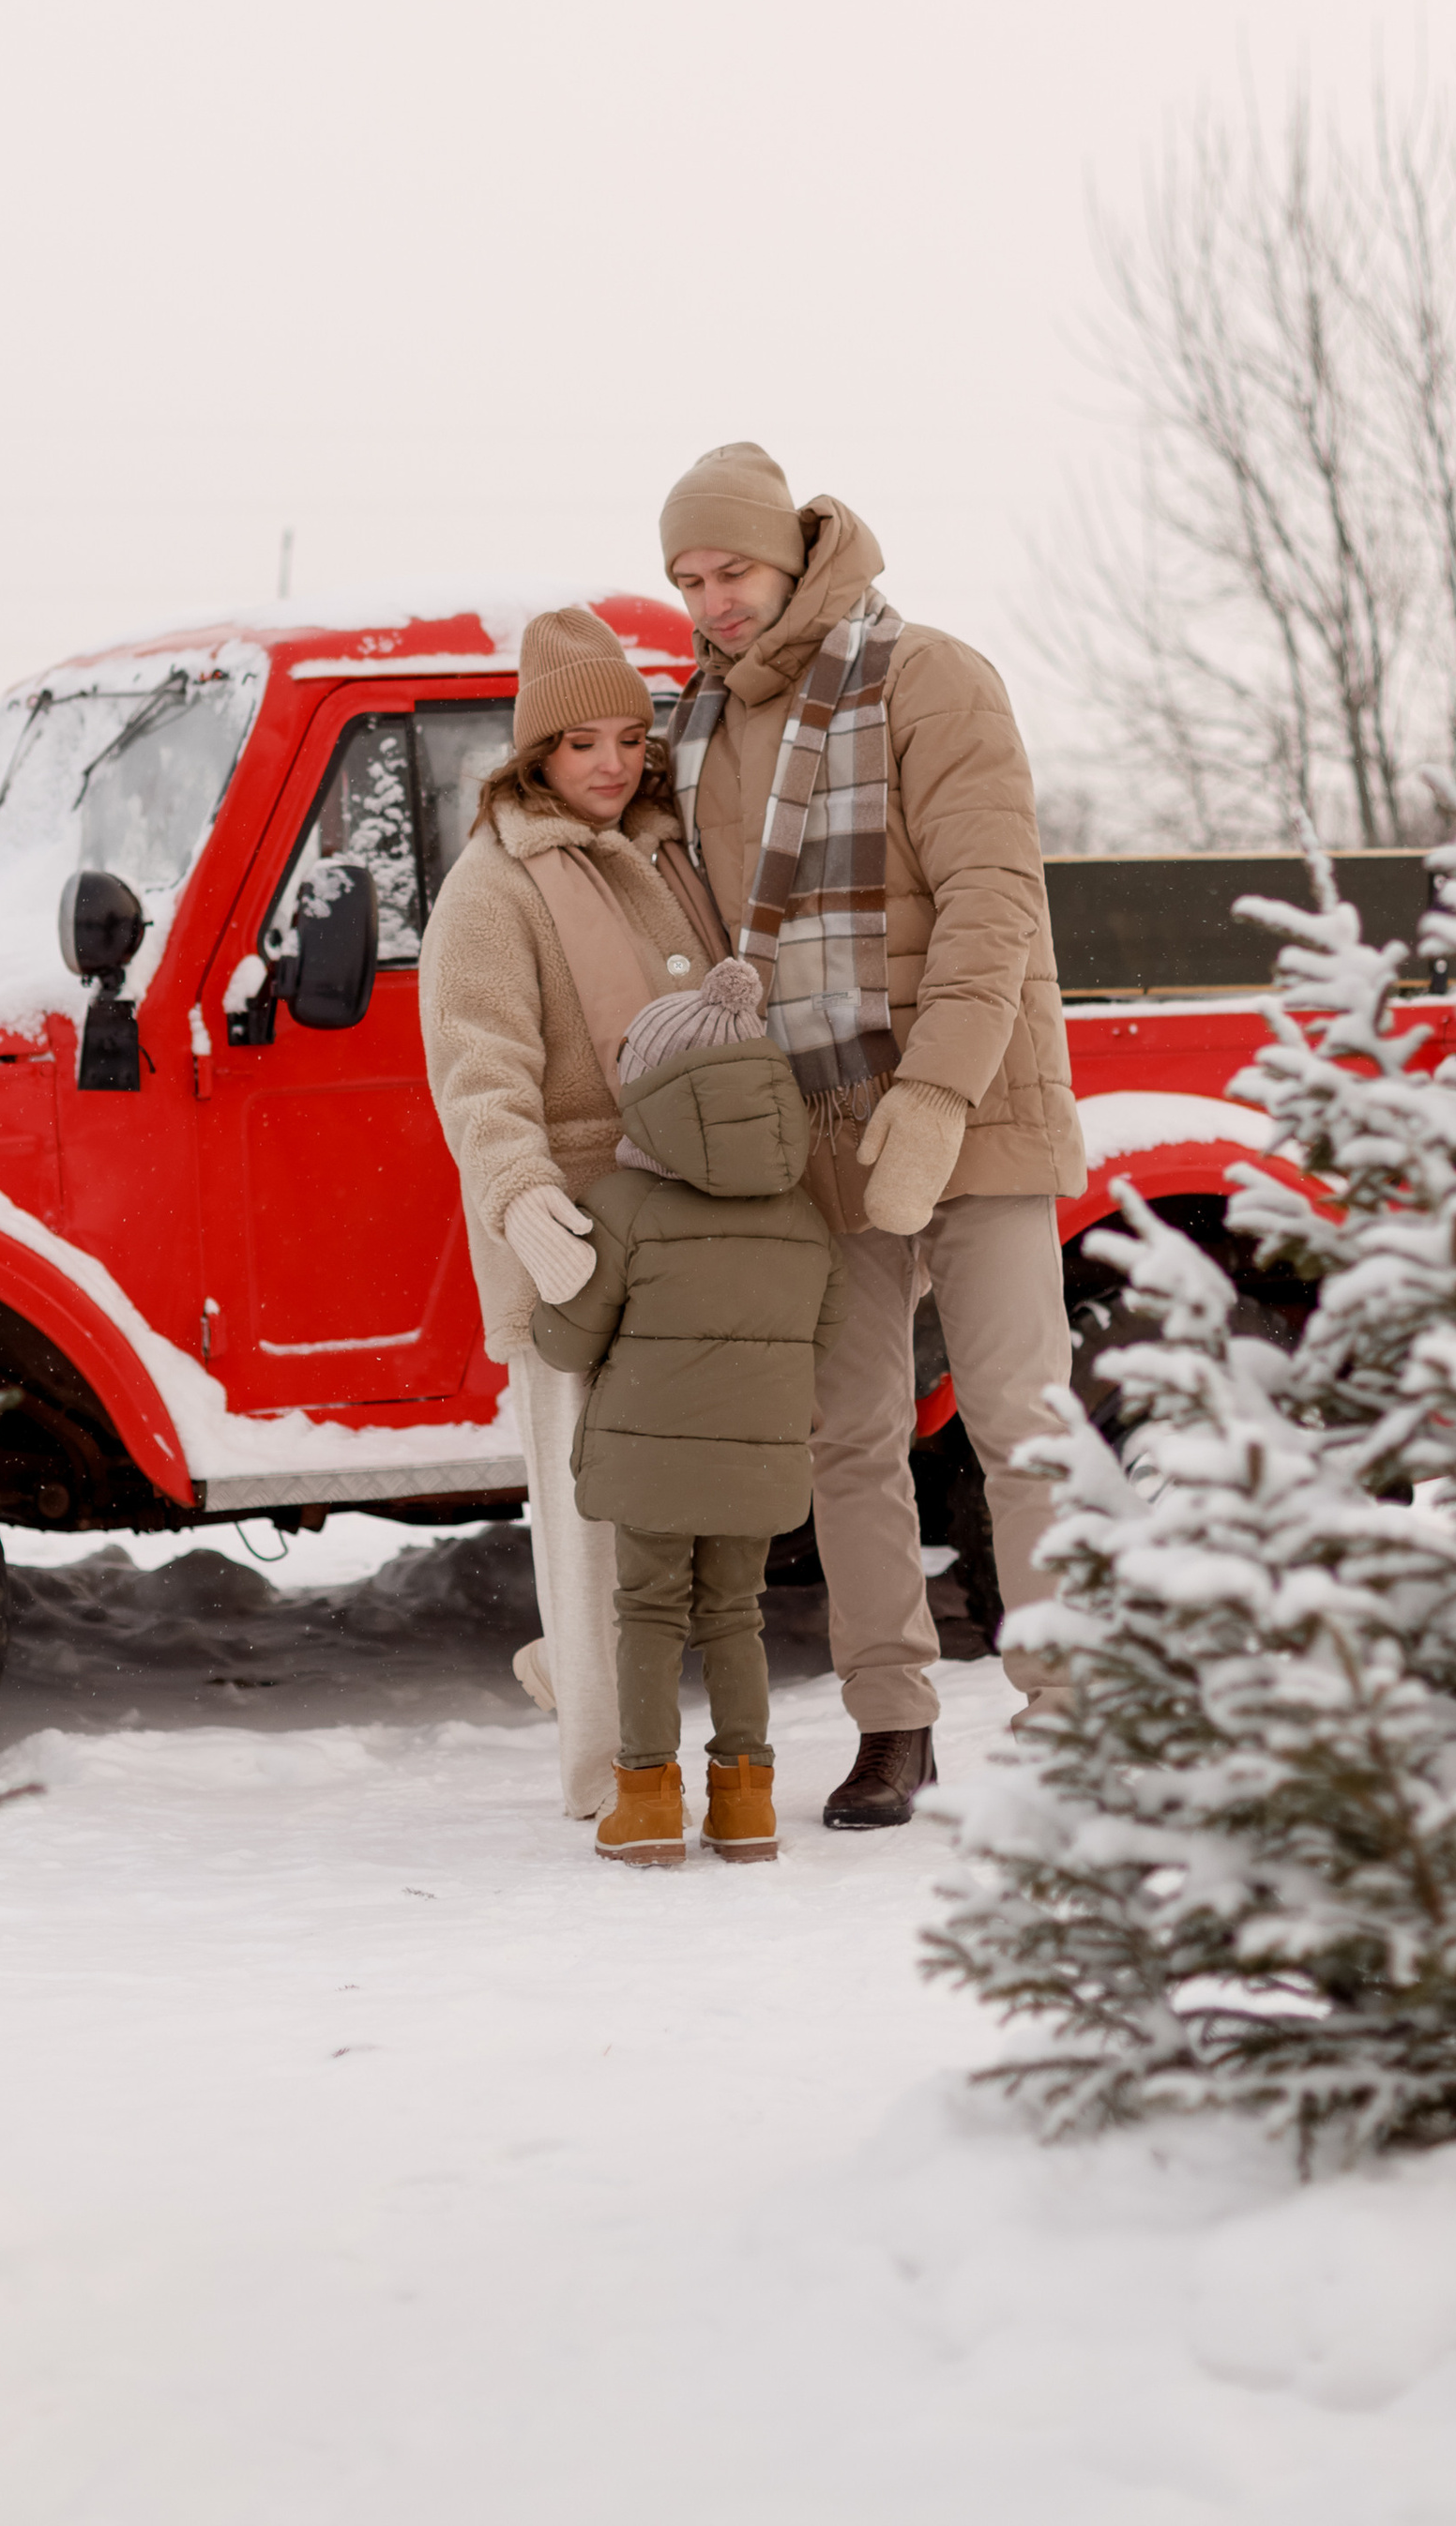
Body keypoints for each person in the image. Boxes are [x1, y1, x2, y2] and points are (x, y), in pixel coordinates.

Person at [658, 440, 1087, 1828]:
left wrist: (940, 1091)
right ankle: (893, 1720)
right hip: (821, 1120)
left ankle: (1074, 1714)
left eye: (732, 569)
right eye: (688, 580)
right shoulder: (701, 726)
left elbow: (991, 901)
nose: (715, 600)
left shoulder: (928, 677)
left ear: (791, 554)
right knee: (846, 1433)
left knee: (1020, 1418)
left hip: (973, 1108)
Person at [417, 603, 721, 1823]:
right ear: (534, 754)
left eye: (628, 739)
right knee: (592, 1522)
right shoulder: (492, 887)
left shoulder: (663, 863)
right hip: (575, 1248)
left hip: (689, 1232)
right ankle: (608, 1777)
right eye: (581, 741)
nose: (610, 763)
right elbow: (476, 1066)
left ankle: (571, 1672)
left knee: (686, 1516)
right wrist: (524, 1204)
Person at [530, 957, 846, 1867]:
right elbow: (819, 1336)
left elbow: (569, 1341)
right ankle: (746, 1804)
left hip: (649, 1463)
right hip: (758, 1459)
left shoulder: (622, 1207)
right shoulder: (801, 1220)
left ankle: (647, 1799)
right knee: (736, 1616)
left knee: (651, 1614)